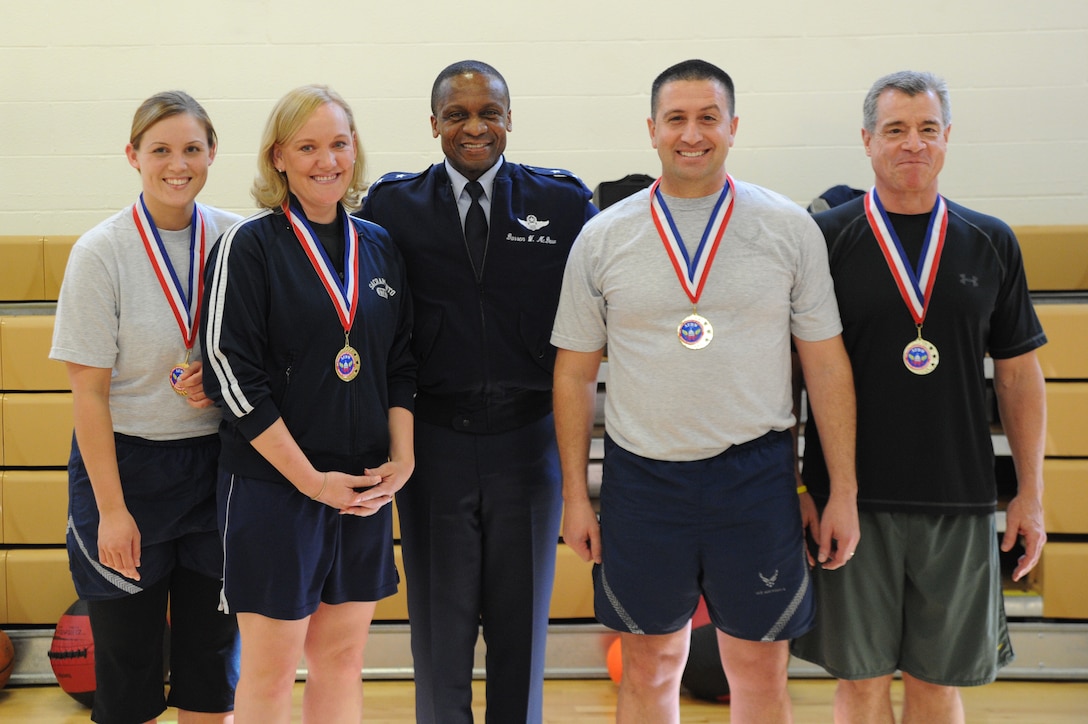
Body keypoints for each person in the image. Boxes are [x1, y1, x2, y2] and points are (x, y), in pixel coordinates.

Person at [551, 58, 861, 724]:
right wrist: (576, 495)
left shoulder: (786, 228)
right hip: (643, 481)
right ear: (652, 130)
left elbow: (827, 365)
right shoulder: (603, 237)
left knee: (757, 668)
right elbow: (574, 374)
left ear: (733, 126)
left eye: (708, 118)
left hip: (754, 479)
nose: (692, 134)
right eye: (677, 119)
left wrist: (842, 491)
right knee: (650, 663)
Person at [790, 70, 1048, 724]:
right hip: (852, 505)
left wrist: (1031, 495)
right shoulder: (825, 241)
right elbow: (789, 376)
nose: (912, 144)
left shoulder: (990, 241)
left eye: (927, 130)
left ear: (947, 139)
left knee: (938, 686)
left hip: (959, 501)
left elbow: (1019, 376)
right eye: (896, 130)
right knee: (861, 683)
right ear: (868, 140)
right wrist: (803, 489)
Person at [358, 60, 597, 723]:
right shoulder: (390, 206)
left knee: (521, 631)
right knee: (440, 630)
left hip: (530, 443)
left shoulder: (562, 203)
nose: (474, 126)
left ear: (510, 119)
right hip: (434, 446)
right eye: (457, 114)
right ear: (433, 123)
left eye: (489, 112)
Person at [200, 84, 415, 724]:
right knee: (270, 670)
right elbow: (229, 376)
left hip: (364, 487)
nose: (327, 160)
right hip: (276, 487)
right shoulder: (249, 246)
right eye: (308, 146)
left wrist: (400, 459)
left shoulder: (379, 245)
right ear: (279, 159)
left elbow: (400, 362)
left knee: (343, 659)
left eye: (339, 143)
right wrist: (311, 481)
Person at [49, 91, 241, 724]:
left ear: (213, 152)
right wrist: (110, 510)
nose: (177, 164)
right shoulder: (99, 252)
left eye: (191, 148)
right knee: (129, 671)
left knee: (211, 666)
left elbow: (262, 364)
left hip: (218, 466)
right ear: (133, 156)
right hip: (125, 469)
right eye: (160, 150)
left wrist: (217, 381)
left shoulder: (238, 238)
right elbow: (88, 393)